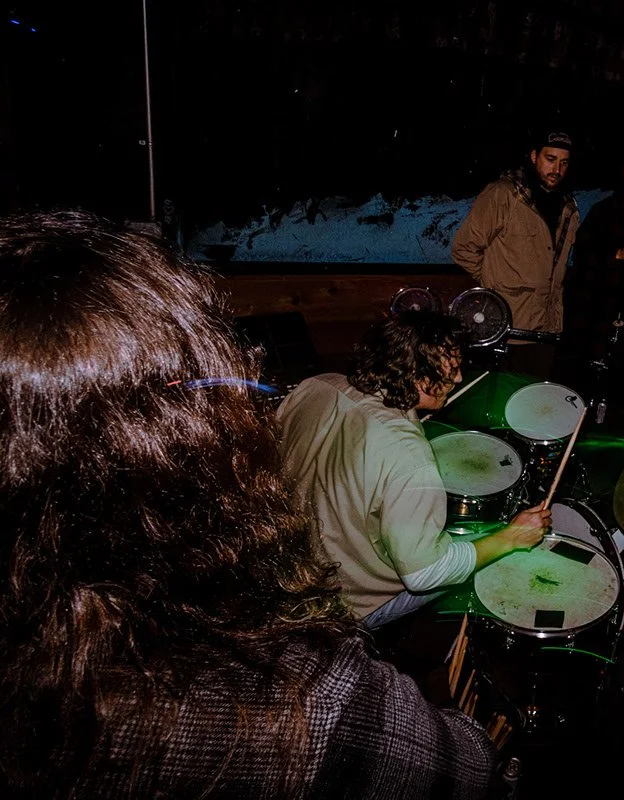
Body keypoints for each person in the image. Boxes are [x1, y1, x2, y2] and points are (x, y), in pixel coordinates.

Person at [0, 211, 496, 797]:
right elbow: (465, 762)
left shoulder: (319, 386)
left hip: (296, 562)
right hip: (349, 606)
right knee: (457, 570)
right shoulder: (308, 706)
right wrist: (503, 541)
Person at [277, 313, 551, 628]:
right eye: (452, 369)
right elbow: (424, 574)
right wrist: (510, 538)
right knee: (481, 546)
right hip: (341, 604)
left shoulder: (317, 385)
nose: (460, 378)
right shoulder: (410, 458)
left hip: (289, 562)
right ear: (419, 378)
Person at [451, 130, 580, 378]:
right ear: (534, 157)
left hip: (547, 329)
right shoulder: (503, 195)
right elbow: (463, 248)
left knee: (534, 402)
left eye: (564, 162)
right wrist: (496, 283)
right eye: (550, 159)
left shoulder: (568, 206)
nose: (557, 168)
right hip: (507, 329)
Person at [563, 149, 624, 379]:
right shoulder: (606, 209)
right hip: (601, 302)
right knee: (592, 365)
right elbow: (582, 251)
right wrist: (616, 254)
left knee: (623, 368)